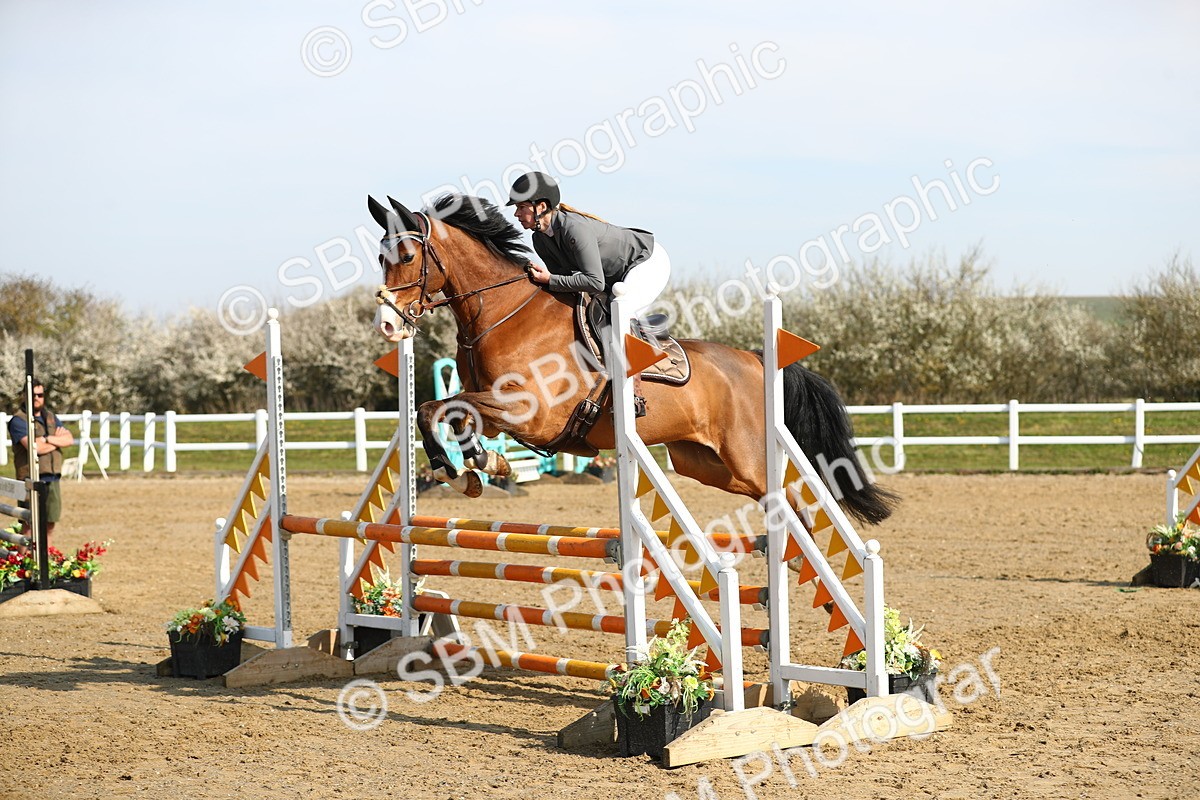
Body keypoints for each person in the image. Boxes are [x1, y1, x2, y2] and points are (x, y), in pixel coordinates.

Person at [507, 171, 670, 415]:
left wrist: (549, 279)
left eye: (521, 207)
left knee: (621, 311)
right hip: (613, 277)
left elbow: (593, 281)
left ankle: (634, 395)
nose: (516, 214)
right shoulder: (540, 239)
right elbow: (568, 283)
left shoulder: (575, 229)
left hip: (646, 263)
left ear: (541, 206)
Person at [8, 381, 73, 541]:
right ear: (24, 396)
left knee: (50, 524)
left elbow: (69, 439)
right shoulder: (18, 421)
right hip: (31, 479)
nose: (37, 398)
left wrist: (46, 439)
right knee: (29, 526)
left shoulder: (50, 417)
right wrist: (55, 442)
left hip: (52, 478)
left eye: (40, 395)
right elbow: (35, 448)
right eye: (33, 395)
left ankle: (46, 561)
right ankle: (24, 563)